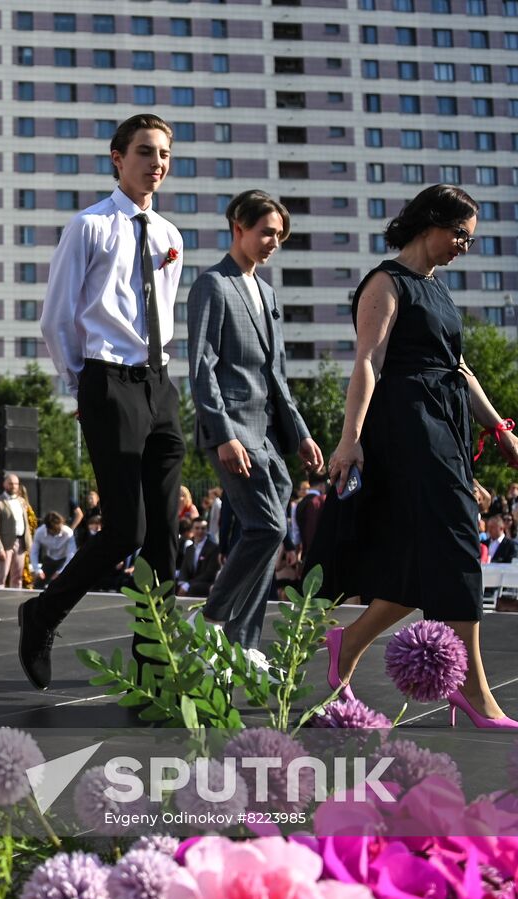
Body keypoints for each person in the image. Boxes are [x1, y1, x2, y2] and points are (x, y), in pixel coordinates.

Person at [322, 184, 518, 730]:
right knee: (461, 539)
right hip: (408, 423)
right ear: (428, 223)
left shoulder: (438, 290)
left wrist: (500, 429)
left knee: (423, 560)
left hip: (446, 420)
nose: (464, 245)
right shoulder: (386, 282)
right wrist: (350, 438)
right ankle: (471, 688)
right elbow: (367, 360)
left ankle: (348, 644)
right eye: (460, 233)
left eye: (470, 237)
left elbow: (458, 369)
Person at [20, 113, 187, 691]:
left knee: (165, 532)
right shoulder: (88, 226)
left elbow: (161, 312)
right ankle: (42, 614)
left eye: (164, 154)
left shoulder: (170, 237)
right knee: (124, 530)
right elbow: (56, 316)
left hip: (160, 384)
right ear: (118, 158)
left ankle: (154, 665)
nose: (157, 163)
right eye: (145, 152)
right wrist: (82, 384)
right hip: (108, 380)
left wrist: (159, 381)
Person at [186, 189, 323, 658]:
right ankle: (210, 618)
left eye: (279, 236)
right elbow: (202, 368)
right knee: (266, 528)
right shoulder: (212, 285)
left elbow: (276, 374)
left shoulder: (266, 292)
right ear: (238, 228)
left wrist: (301, 432)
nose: (273, 243)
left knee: (266, 535)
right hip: (232, 434)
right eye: (266, 232)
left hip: (268, 436)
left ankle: (242, 645)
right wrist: (223, 434)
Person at [0, 473, 32, 588]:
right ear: (5, 484)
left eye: (16, 484)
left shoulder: (22, 501)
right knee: (1, 576)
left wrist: (29, 543)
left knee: (18, 576)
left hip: (21, 543)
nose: (13, 486)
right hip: (5, 543)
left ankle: (15, 601)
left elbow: (26, 523)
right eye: (11, 483)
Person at [176, 517, 221, 597]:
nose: (200, 531)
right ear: (192, 530)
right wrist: (182, 582)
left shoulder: (214, 548)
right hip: (191, 582)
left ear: (207, 530)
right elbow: (184, 568)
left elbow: (209, 573)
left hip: (206, 583)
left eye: (203, 528)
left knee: (193, 588)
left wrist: (188, 584)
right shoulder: (189, 548)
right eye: (197, 528)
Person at [31, 512, 76, 588]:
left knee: (63, 584)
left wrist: (60, 572)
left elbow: (71, 554)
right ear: (47, 528)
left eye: (60, 528)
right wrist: (37, 570)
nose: (58, 531)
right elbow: (34, 552)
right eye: (55, 530)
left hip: (64, 560)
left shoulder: (68, 533)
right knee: (38, 584)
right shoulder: (39, 533)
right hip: (49, 559)